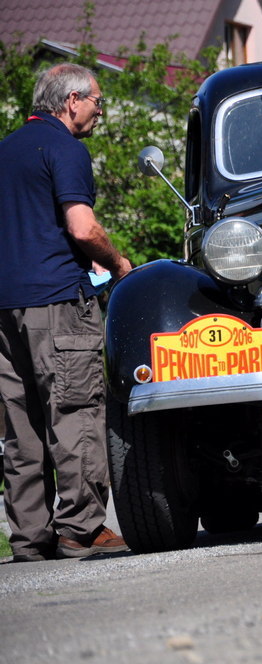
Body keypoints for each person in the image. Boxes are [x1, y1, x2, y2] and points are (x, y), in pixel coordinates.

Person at [0, 63, 133, 562]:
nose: (100, 111)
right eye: (98, 101)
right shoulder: (66, 148)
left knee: (21, 425)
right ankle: (80, 528)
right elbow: (81, 227)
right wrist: (118, 263)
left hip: (4, 309)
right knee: (75, 412)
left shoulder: (5, 150)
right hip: (58, 303)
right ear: (72, 100)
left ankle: (30, 538)